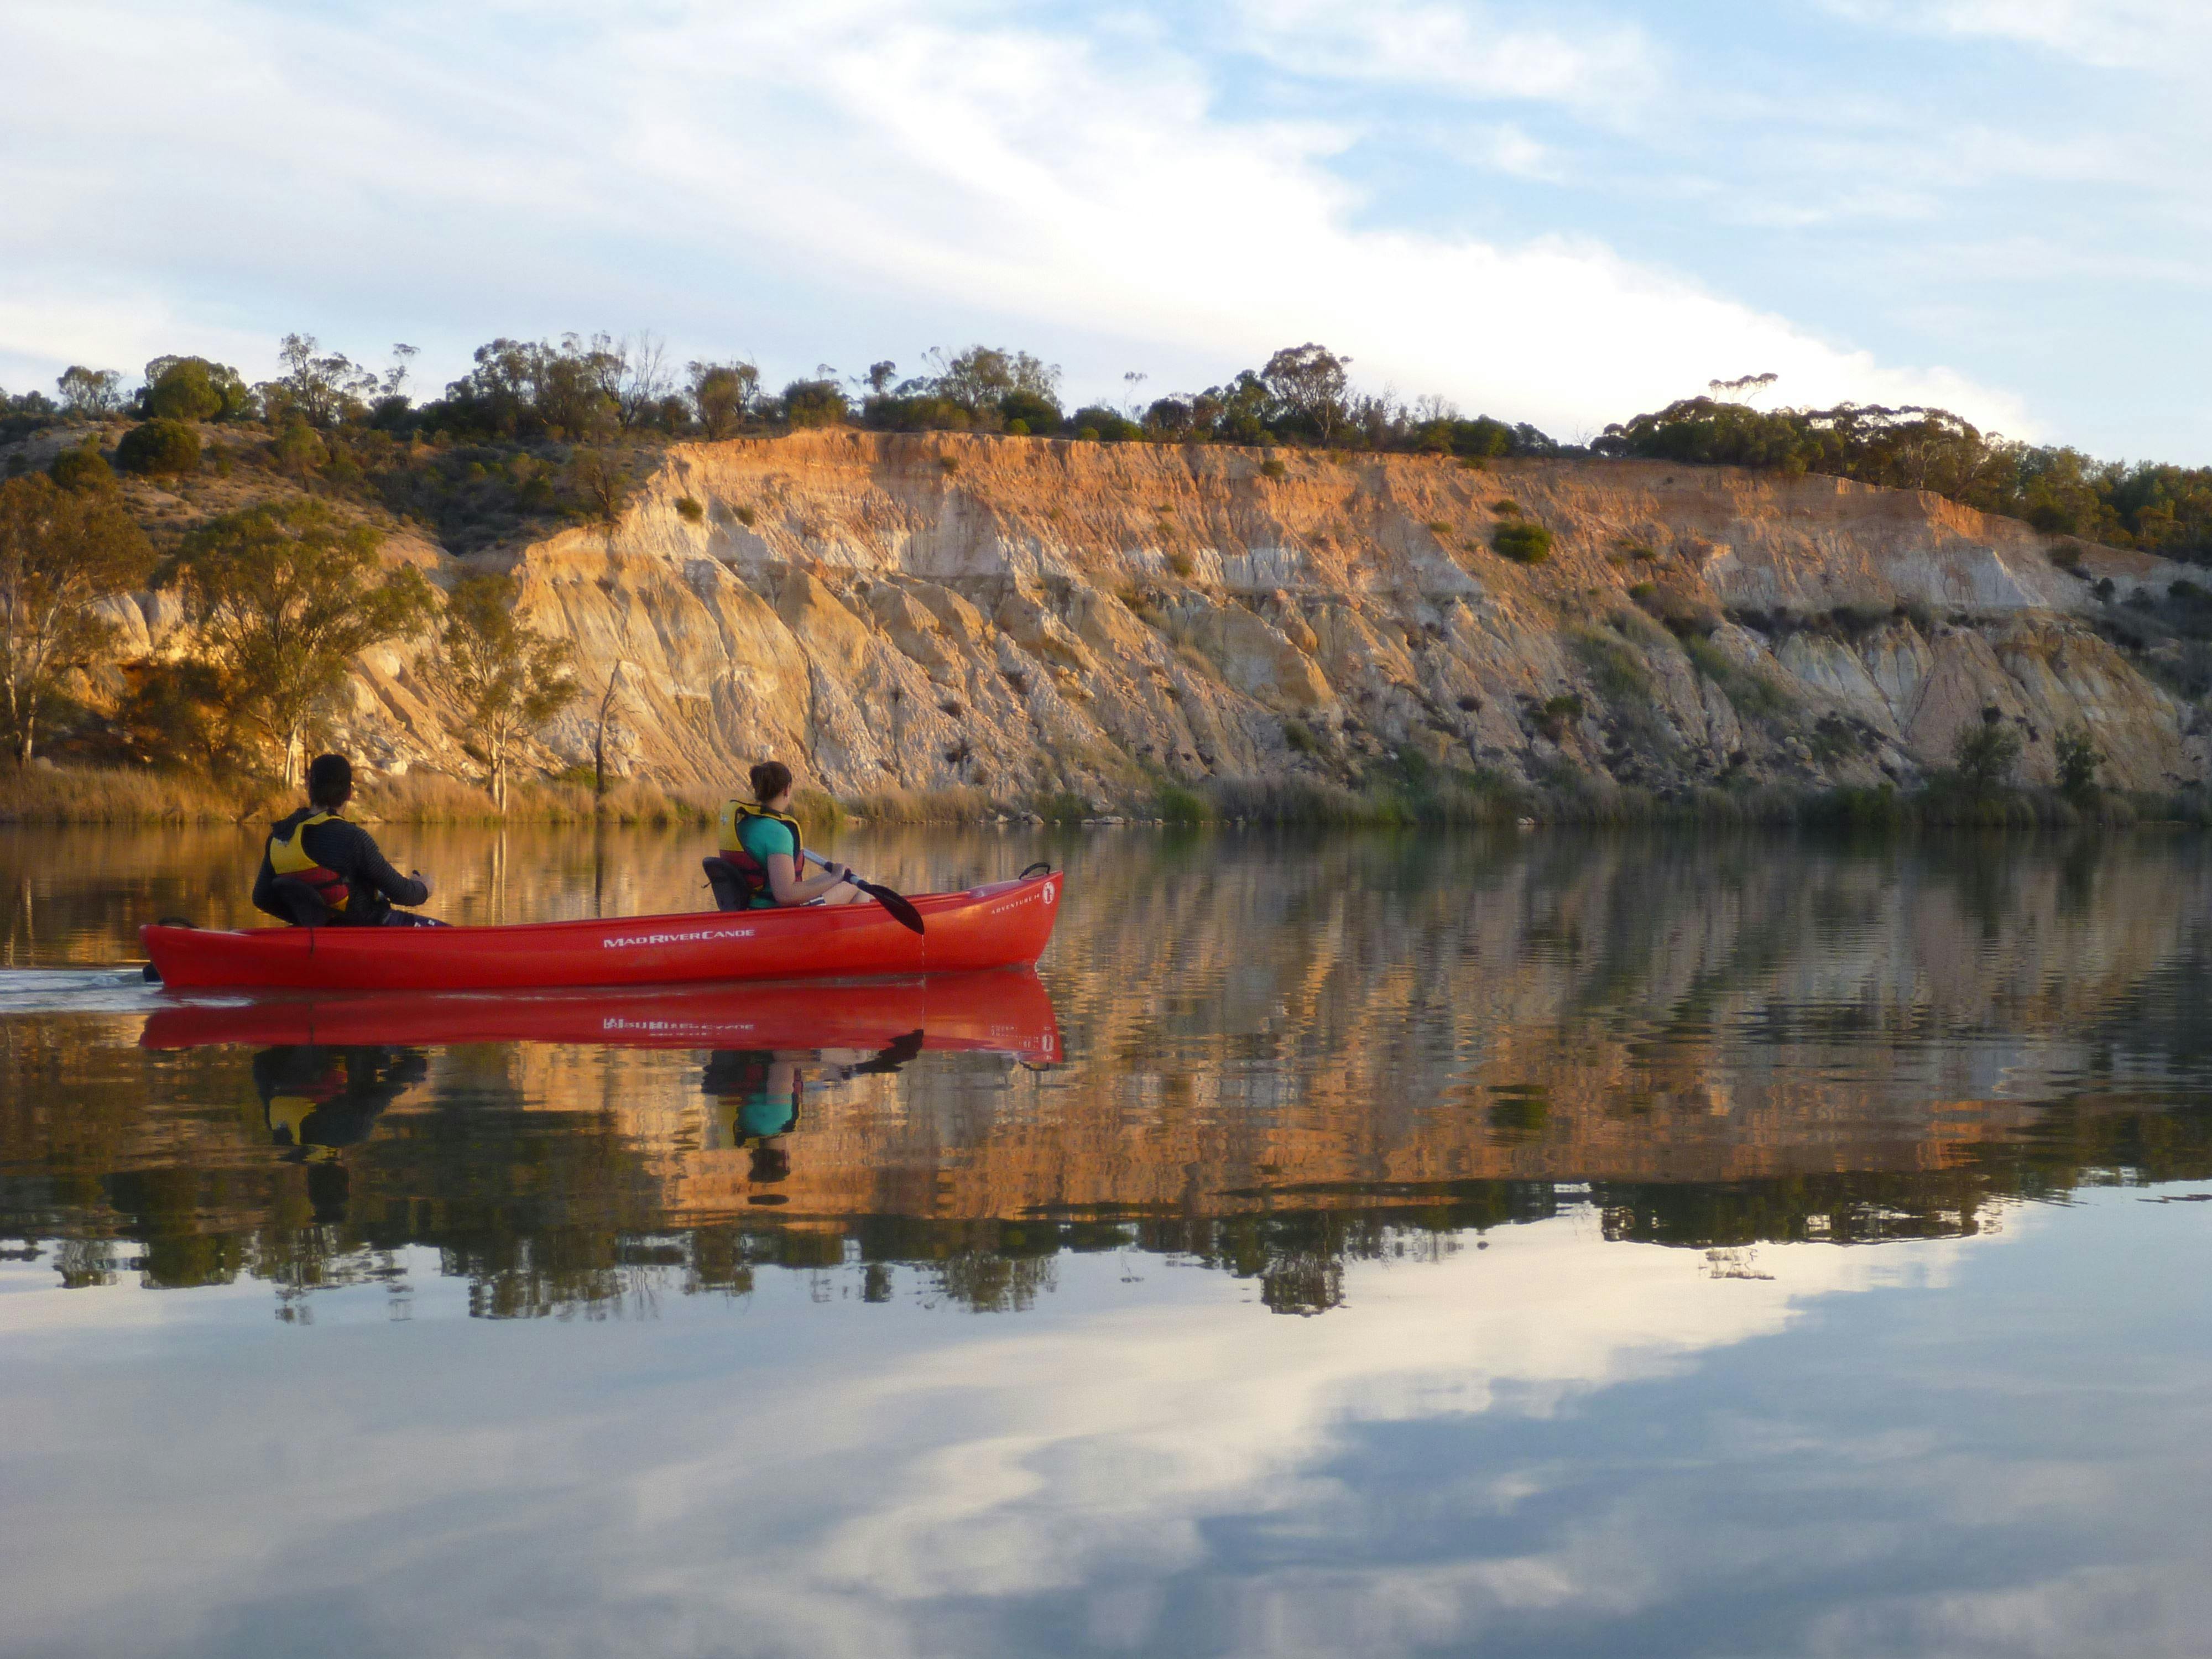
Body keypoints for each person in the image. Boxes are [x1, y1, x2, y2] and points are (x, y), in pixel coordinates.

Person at [252, 752, 443, 927]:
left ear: (309, 788)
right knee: (447, 933)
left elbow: (261, 898)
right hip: (367, 931)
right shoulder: (352, 838)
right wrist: (425, 886)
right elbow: (406, 895)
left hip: (316, 936)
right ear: (350, 793)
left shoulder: (278, 837)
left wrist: (310, 922)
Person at [708, 759, 868, 910]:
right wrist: (835, 879)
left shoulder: (744, 824)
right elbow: (786, 895)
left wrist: (835, 876)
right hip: (778, 916)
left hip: (750, 909)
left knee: (846, 880)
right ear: (787, 789)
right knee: (856, 886)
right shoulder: (778, 833)